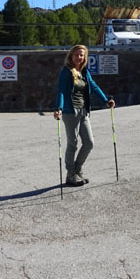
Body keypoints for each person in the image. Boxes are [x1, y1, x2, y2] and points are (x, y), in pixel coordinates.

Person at [53, 45, 115, 186]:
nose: (79, 57)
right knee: (72, 144)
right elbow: (61, 91)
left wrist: (106, 100)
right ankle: (70, 174)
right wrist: (59, 108)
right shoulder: (66, 71)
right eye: (77, 55)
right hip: (70, 112)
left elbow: (93, 87)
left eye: (82, 55)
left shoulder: (84, 71)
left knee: (89, 143)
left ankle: (77, 169)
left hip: (84, 111)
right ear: (71, 56)